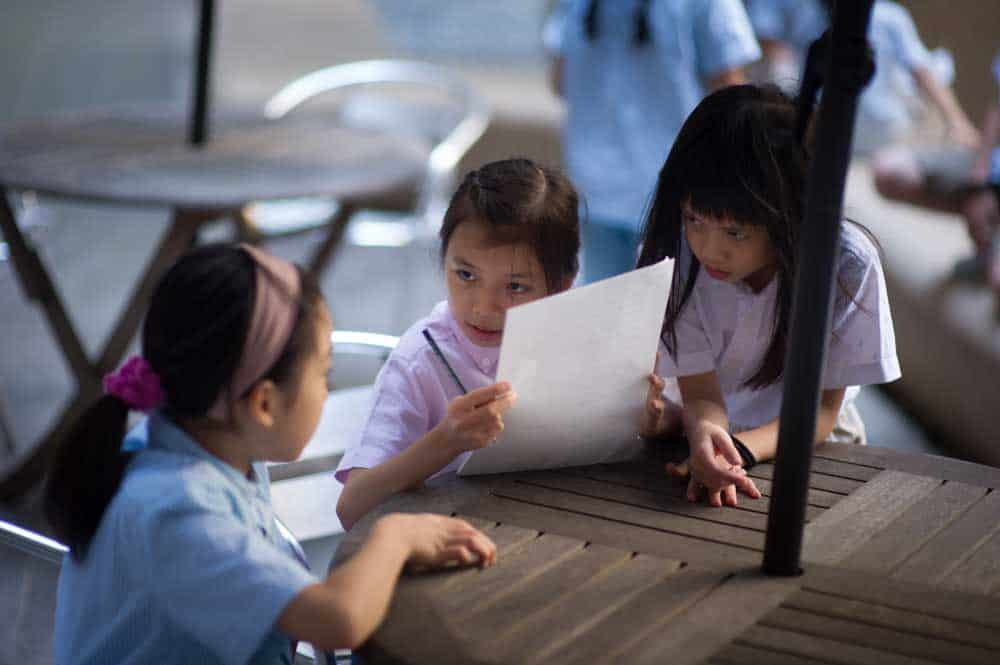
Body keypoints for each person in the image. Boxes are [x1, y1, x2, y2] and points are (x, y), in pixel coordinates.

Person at [44, 244, 497, 663]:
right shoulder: (175, 510)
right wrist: (395, 536)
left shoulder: (209, 443)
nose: (328, 390)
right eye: (324, 374)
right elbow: (336, 621)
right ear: (264, 404)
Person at [636, 84, 901, 507]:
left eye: (735, 232)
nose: (709, 249)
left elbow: (822, 411)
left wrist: (738, 451)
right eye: (694, 218)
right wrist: (709, 435)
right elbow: (701, 395)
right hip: (710, 424)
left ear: (789, 215)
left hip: (812, 438)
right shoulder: (676, 259)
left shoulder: (845, 265)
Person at [336, 158, 581, 528]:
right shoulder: (419, 360)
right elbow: (351, 507)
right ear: (443, 259)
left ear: (563, 285)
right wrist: (446, 440)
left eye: (515, 286)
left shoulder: (576, 336)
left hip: (552, 529)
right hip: (442, 545)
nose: (483, 307)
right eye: (465, 275)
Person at [543, 0, 760, 283]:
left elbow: (559, 81)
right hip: (675, 190)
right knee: (670, 302)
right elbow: (731, 96)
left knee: (604, 301)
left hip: (594, 185)